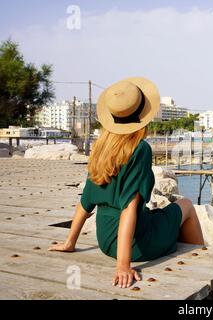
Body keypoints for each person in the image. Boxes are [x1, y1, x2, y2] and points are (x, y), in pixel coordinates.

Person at [48, 77, 204, 289]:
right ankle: (202, 263)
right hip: (135, 245)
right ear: (143, 116)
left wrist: (70, 242)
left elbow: (86, 201)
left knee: (158, 214)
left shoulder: (101, 148)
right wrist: (123, 265)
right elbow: (129, 207)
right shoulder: (140, 149)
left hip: (105, 240)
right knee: (185, 205)